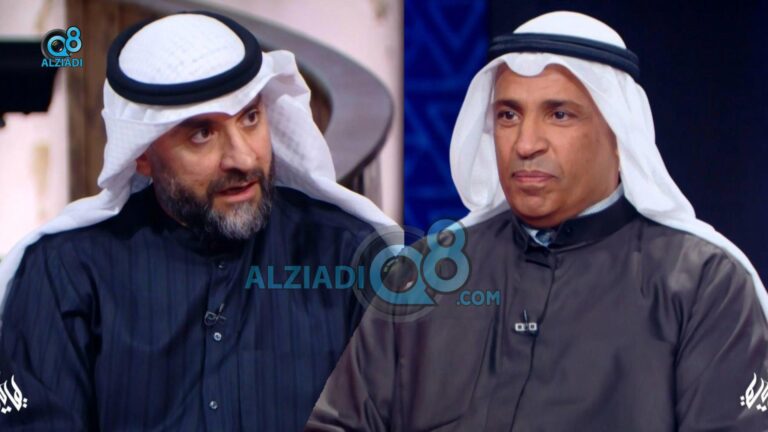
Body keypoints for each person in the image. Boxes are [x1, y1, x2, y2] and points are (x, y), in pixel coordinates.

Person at [306, 11, 768, 431]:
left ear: (618, 133)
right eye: (508, 115)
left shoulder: (704, 286)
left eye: (559, 115)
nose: (526, 143)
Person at [0, 11, 395, 431]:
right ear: (142, 154)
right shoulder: (64, 274)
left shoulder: (347, 255)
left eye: (250, 118)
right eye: (202, 134)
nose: (242, 158)